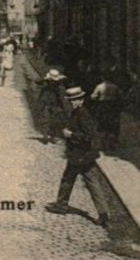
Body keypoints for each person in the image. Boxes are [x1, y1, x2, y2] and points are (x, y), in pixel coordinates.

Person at [44, 86, 110, 228]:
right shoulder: (78, 112)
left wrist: (70, 135)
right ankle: (102, 213)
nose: (72, 102)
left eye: (75, 100)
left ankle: (62, 205)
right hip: (81, 154)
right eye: (71, 100)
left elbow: (88, 136)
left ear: (81, 100)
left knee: (75, 180)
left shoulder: (83, 114)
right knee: (80, 180)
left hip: (81, 155)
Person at [90, 70, 122, 150]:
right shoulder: (115, 87)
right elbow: (120, 96)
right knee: (112, 124)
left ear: (102, 77)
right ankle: (112, 142)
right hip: (112, 106)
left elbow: (94, 96)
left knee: (103, 124)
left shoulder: (99, 86)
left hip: (103, 106)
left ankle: (104, 143)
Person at [36, 68, 67, 143]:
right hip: (46, 102)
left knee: (54, 120)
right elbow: (37, 81)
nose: (53, 82)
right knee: (46, 118)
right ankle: (45, 136)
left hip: (55, 103)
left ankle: (52, 136)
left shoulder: (58, 86)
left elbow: (60, 97)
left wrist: (61, 106)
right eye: (51, 81)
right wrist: (45, 79)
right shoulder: (46, 85)